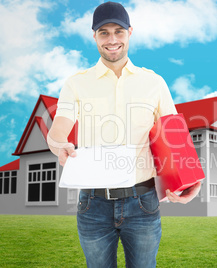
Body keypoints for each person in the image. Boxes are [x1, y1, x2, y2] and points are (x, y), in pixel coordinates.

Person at [47, 1, 201, 267]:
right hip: (92, 204)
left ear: (130, 32)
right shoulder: (76, 83)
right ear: (94, 36)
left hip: (143, 201)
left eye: (118, 31)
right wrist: (59, 144)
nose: (112, 39)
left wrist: (191, 180)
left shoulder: (154, 82)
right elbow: (59, 127)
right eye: (103, 32)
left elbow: (175, 137)